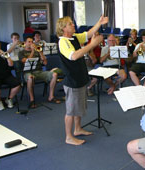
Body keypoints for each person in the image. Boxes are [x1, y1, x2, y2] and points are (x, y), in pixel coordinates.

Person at [57, 15, 107, 145]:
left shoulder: (73, 37)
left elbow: (89, 34)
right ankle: (68, 136)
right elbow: (74, 56)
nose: (73, 25)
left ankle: (77, 129)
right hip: (72, 81)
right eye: (70, 24)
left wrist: (99, 22)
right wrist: (92, 45)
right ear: (63, 28)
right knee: (71, 110)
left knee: (79, 107)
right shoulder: (63, 42)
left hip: (80, 77)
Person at [19, 36, 61, 108]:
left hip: (39, 71)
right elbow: (25, 61)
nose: (31, 43)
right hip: (27, 72)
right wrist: (32, 51)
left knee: (54, 74)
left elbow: (45, 63)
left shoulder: (37, 51)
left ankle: (51, 96)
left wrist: (40, 52)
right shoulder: (21, 52)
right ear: (25, 43)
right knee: (30, 78)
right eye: (29, 42)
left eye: (32, 42)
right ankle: (32, 100)